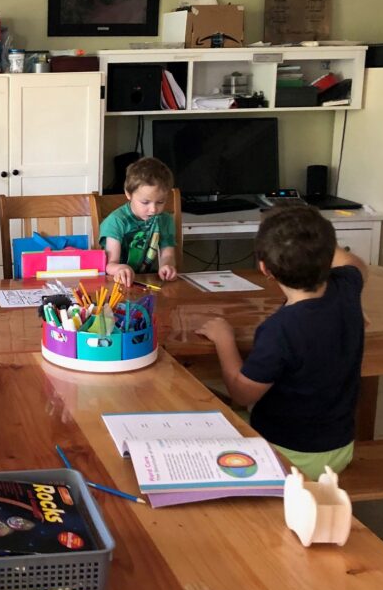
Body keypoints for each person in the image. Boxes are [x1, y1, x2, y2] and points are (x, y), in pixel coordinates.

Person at [195, 205, 368, 480]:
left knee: (202, 419)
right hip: (340, 448)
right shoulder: (346, 288)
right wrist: (318, 239)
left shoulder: (280, 330)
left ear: (265, 268)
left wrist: (223, 339)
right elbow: (356, 263)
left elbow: (242, 393)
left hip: (286, 453)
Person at [98, 157, 179, 286]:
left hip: (145, 281)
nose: (153, 209)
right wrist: (120, 268)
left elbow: (167, 254)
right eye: (145, 202)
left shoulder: (165, 220)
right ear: (128, 194)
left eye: (160, 202)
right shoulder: (116, 221)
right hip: (116, 283)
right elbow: (110, 265)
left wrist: (167, 266)